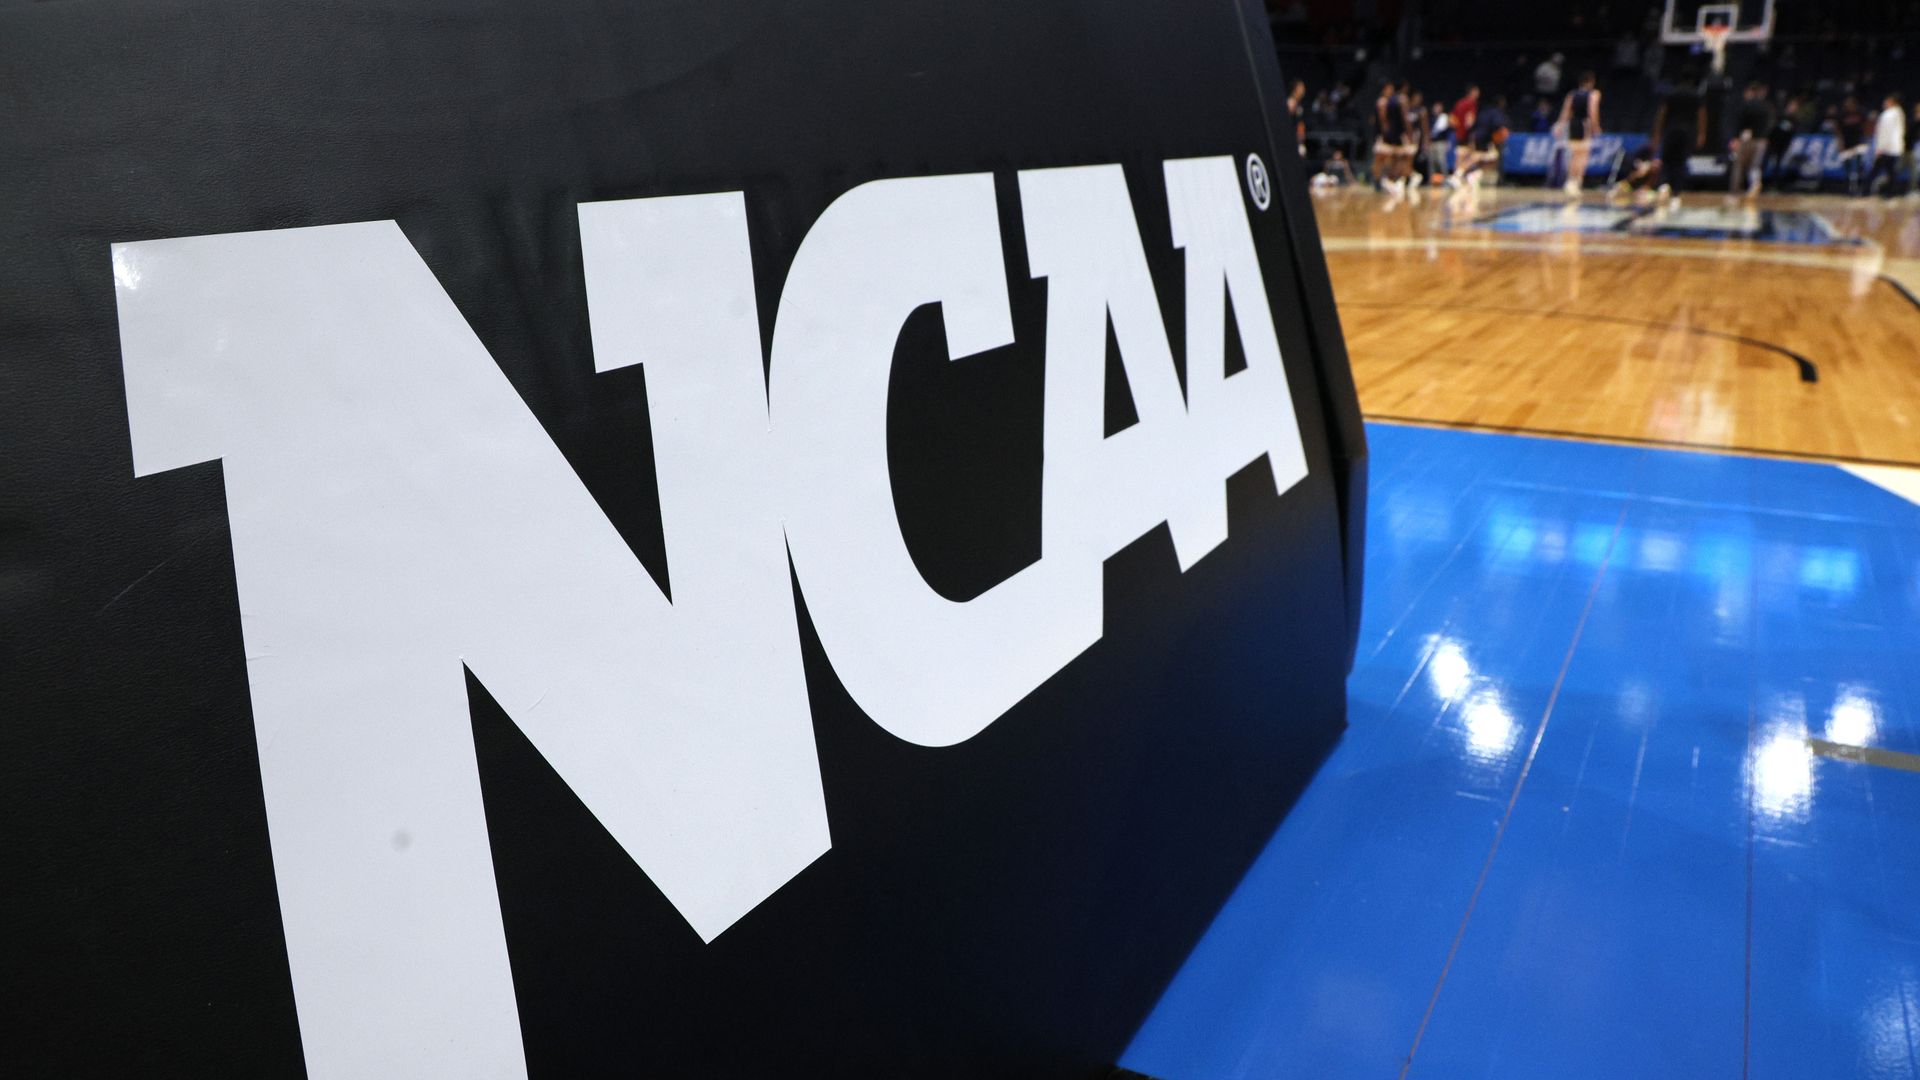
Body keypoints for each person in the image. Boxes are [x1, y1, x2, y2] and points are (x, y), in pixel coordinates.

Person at [1652, 69, 1707, 199]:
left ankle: (1664, 184)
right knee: (1681, 160)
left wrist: (1657, 133)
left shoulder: (1671, 93)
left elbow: (1661, 114)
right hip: (1687, 132)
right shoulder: (1697, 95)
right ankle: (1677, 190)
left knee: (1667, 159)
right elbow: (1702, 116)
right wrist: (1702, 134)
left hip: (1671, 130)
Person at [1558, 72, 1601, 196]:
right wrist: (1596, 127)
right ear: (1591, 82)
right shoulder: (1594, 94)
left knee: (1574, 155)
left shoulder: (1572, 94)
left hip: (1573, 124)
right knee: (1583, 156)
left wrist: (1560, 126)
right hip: (1584, 124)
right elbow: (1592, 111)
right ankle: (1576, 182)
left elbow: (1566, 111)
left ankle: (1570, 182)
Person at [1729, 82, 1773, 199]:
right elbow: (1769, 124)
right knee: (1755, 166)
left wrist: (1736, 138)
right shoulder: (1766, 106)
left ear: (1751, 92)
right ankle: (1755, 184)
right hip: (1762, 140)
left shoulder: (1747, 105)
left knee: (1739, 165)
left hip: (1747, 139)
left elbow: (1740, 123)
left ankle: (1735, 191)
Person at [1867, 92, 1906, 197]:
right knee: (1891, 172)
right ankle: (1890, 193)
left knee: (1876, 171)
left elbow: (1884, 133)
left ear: (1892, 102)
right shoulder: (1900, 112)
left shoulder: (1887, 115)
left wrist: (1879, 148)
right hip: (1895, 148)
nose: (1884, 103)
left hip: (1886, 149)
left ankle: (1865, 192)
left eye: (1887, 101)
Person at [1837, 95, 1869, 195]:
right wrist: (1840, 143)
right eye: (1847, 104)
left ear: (1854, 104)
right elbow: (1838, 130)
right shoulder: (1842, 114)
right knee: (1848, 168)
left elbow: (1866, 126)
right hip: (1847, 144)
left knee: (1860, 166)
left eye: (1851, 104)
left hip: (1859, 144)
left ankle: (1860, 188)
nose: (1849, 106)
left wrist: (1865, 139)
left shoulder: (1861, 113)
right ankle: (1848, 188)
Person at [1286, 79, 1308, 156]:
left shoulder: (1299, 104)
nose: (1303, 90)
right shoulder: (1291, 103)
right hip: (1291, 140)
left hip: (1298, 140)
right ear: (1295, 89)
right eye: (1301, 87)